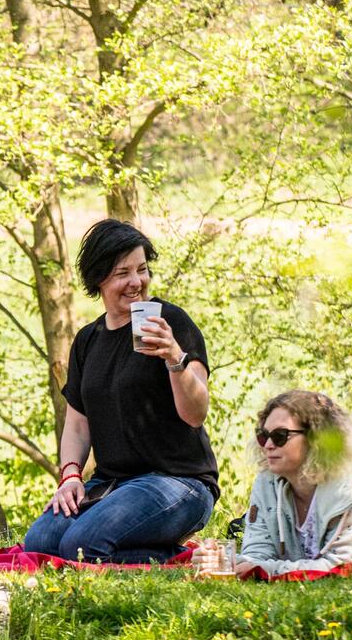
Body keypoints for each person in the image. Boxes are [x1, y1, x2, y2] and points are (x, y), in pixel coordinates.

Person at [23, 219, 218, 563]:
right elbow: (78, 424)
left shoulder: (171, 322)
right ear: (98, 279)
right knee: (40, 543)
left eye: (142, 270)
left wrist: (174, 357)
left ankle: (171, 559)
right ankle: (172, 555)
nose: (136, 282)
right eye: (122, 273)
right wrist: (70, 476)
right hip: (112, 485)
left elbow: (196, 413)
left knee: (79, 546)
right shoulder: (87, 340)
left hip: (179, 483)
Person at [234, 390, 352, 578]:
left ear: (315, 439)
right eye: (263, 435)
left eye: (280, 436)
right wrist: (226, 560)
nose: (267, 445)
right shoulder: (266, 483)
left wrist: (264, 569)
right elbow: (254, 557)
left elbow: (343, 566)